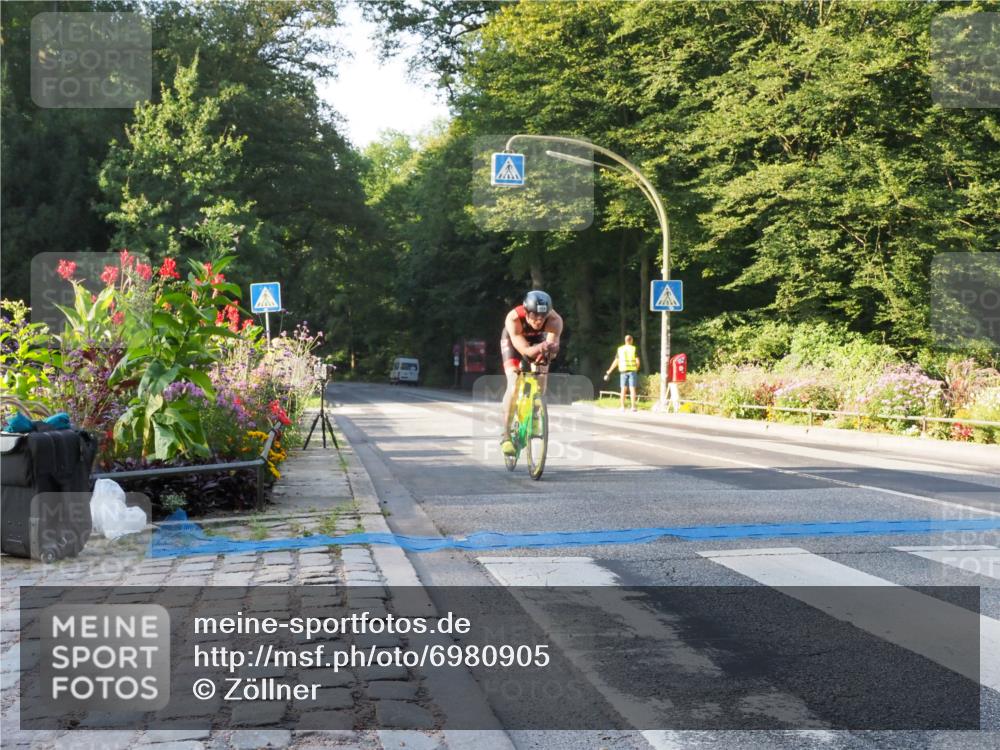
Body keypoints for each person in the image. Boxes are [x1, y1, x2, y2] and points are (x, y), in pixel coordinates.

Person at [499, 290, 563, 456]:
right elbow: (525, 351)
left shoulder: (555, 321)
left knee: (542, 375)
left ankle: (535, 414)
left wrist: (551, 349)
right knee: (514, 382)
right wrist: (541, 348)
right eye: (535, 316)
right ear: (526, 312)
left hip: (538, 340)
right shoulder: (513, 319)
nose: (539, 320)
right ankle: (506, 434)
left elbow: (551, 351)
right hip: (515, 341)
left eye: (543, 316)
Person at [604, 334, 640, 412]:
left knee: (623, 389)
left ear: (625, 340)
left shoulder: (620, 349)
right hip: (632, 371)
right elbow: (637, 361)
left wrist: (609, 370)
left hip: (623, 371)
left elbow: (616, 361)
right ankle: (633, 407)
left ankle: (622, 407)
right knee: (632, 389)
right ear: (631, 340)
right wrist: (636, 369)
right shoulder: (634, 349)